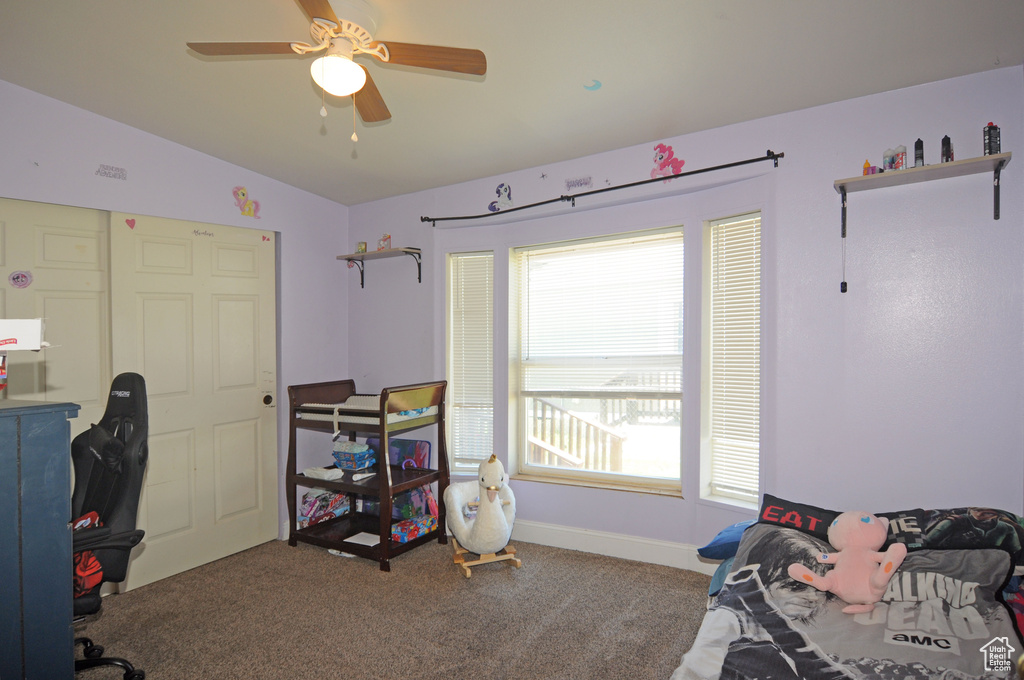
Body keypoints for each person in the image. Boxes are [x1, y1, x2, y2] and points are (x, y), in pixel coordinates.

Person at [671, 525, 851, 680]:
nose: (812, 597)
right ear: (768, 579)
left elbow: (808, 657)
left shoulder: (773, 616)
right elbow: (698, 665)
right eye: (796, 586)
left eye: (819, 589)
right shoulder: (733, 613)